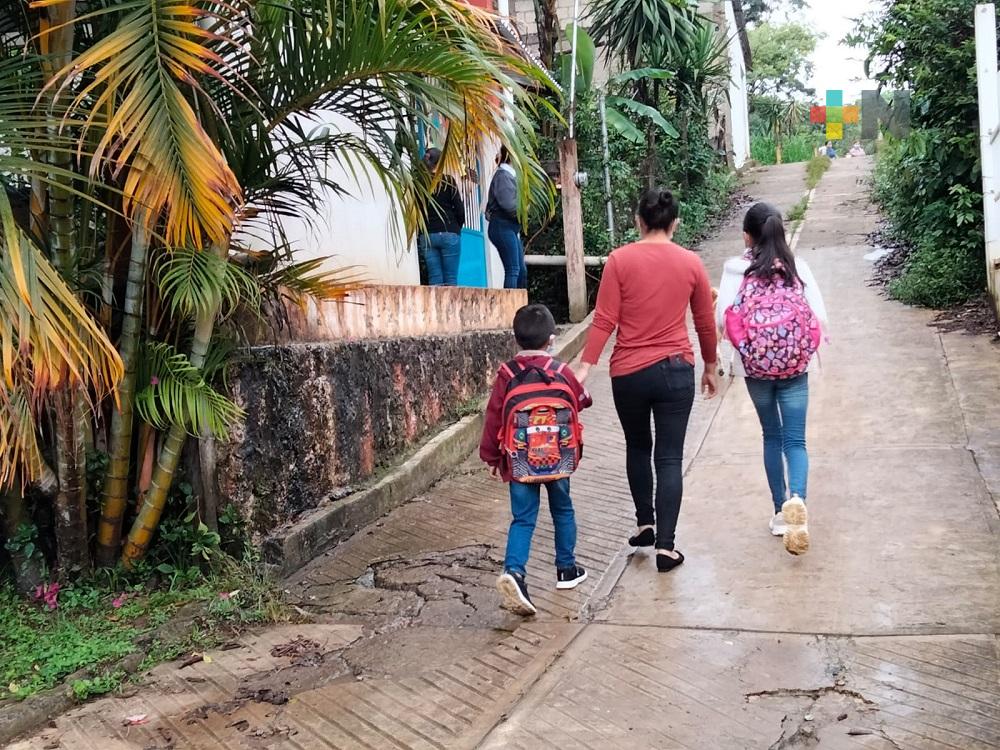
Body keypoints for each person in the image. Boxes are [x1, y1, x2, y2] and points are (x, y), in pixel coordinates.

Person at [574, 188, 719, 573]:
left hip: (629, 373)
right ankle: (666, 549)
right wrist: (710, 365)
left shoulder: (619, 261)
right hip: (675, 371)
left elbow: (603, 318)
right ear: (675, 224)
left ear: (639, 220)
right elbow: (704, 322)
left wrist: (586, 365)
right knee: (669, 457)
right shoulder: (691, 263)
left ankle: (645, 524)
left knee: (638, 447)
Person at [715, 202, 827, 556]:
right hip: (795, 368)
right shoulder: (797, 268)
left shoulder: (736, 270)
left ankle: (780, 511)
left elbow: (723, 322)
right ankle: (799, 501)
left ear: (747, 236)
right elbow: (819, 319)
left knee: (771, 436)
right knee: (796, 441)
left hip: (755, 369)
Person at [480, 304, 592, 615]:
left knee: (523, 518)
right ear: (552, 340)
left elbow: (493, 417)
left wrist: (491, 456)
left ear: (515, 340)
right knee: (563, 510)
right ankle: (566, 569)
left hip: (519, 462)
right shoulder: (560, 371)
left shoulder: (506, 375)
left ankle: (514, 571)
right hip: (558, 460)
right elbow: (581, 400)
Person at [418, 148, 465, 286]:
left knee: (435, 278)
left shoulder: (419, 183)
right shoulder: (448, 181)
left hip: (427, 235)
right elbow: (460, 210)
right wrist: (456, 228)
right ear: (440, 163)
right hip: (449, 231)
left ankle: (435, 308)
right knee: (450, 279)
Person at [486, 146, 527, 289]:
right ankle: (512, 306)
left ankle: (520, 305)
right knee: (513, 269)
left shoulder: (509, 175)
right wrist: (524, 210)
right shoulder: (503, 176)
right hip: (502, 226)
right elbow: (509, 205)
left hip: (508, 227)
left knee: (520, 270)